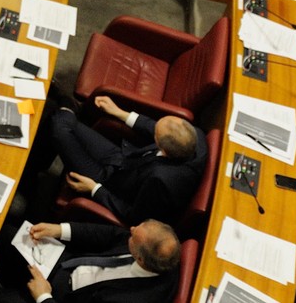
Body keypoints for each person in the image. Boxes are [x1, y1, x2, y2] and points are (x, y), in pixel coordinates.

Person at [42, 95, 205, 225]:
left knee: (58, 126)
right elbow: (154, 127)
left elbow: (134, 216)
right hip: (123, 159)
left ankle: (66, 106)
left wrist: (94, 189)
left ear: (164, 150)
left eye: (156, 135)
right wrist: (119, 112)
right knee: (62, 121)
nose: (153, 129)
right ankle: (65, 108)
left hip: (109, 184)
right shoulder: (195, 135)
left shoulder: (161, 181)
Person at [0, 220, 182, 303]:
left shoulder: (134, 299)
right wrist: (58, 230)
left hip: (60, 297)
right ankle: (11, 283)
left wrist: (43, 296)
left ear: (140, 259)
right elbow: (107, 235)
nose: (131, 229)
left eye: (133, 236)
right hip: (68, 263)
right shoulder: (154, 248)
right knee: (7, 234)